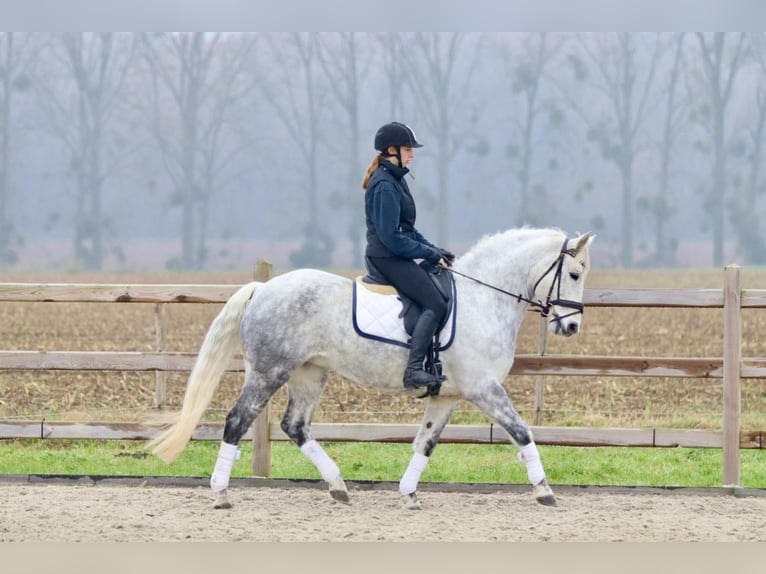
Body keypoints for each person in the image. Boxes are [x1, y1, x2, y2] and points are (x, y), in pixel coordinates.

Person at [362, 121, 455, 390]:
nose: (412, 154)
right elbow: (392, 238)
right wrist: (426, 252)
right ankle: (413, 370)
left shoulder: (395, 180)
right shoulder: (385, 186)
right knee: (436, 303)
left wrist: (434, 250)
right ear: (392, 150)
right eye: (407, 149)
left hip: (394, 254)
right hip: (386, 257)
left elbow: (408, 230)